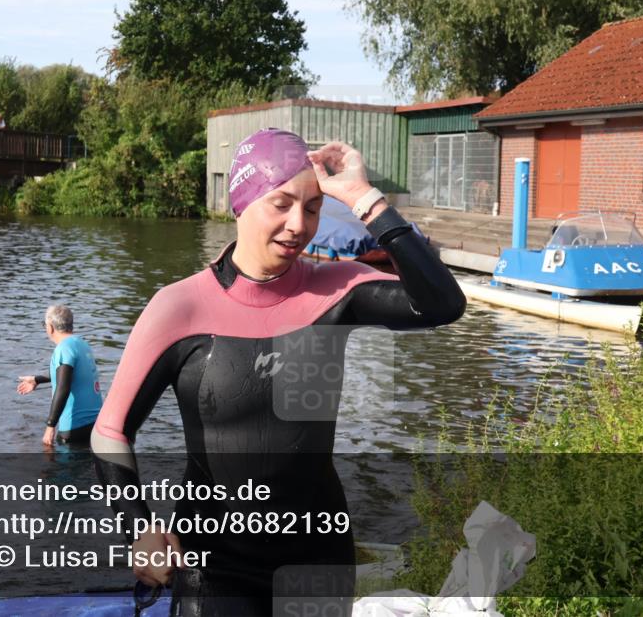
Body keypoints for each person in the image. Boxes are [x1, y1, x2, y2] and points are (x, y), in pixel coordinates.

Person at [91, 128, 467, 615]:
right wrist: (139, 528)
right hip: (213, 563)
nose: (298, 225)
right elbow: (111, 429)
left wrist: (362, 197)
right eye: (281, 204)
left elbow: (442, 304)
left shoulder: (337, 288)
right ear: (241, 204)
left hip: (316, 557)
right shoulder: (179, 307)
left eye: (312, 208)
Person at [17, 304, 103, 447]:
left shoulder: (63, 348)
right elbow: (69, 375)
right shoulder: (81, 344)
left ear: (50, 327)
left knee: (59, 465)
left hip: (73, 427)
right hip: (96, 423)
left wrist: (50, 426)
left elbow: (63, 387)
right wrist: (36, 380)